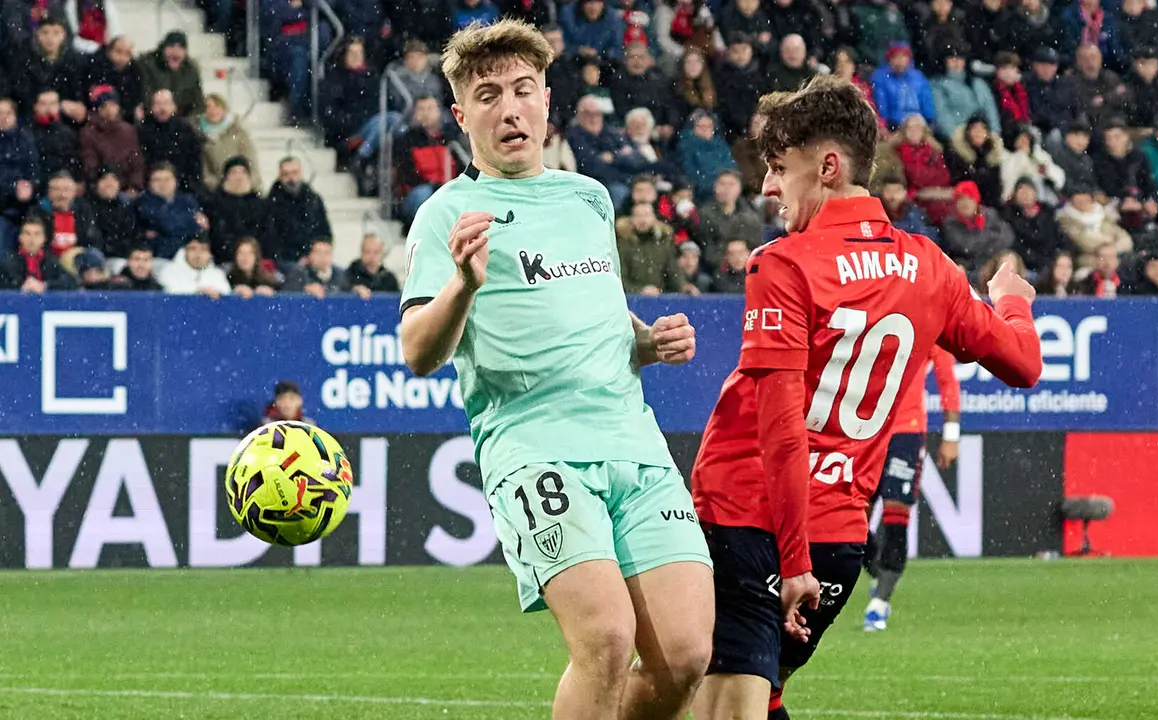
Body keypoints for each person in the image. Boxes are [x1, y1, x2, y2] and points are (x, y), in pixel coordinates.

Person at [690, 76, 1042, 720]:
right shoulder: (929, 265)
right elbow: (1021, 362)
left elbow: (781, 431)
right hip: (838, 544)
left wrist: (788, 560)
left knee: (697, 692)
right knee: (755, 694)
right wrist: (1013, 301)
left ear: (828, 167)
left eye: (778, 168)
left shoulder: (785, 264)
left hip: (750, 524)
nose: (768, 187)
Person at [396, 20, 713, 720]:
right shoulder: (445, 214)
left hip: (633, 444)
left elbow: (599, 320)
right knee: (604, 640)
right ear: (461, 115)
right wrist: (463, 287)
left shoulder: (588, 198)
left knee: (686, 658)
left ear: (546, 99)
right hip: (534, 450)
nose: (509, 109)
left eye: (522, 90)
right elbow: (418, 352)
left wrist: (647, 343)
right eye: (487, 96)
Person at [863, 346, 960, 632]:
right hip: (864, 429)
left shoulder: (930, 322)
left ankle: (879, 603)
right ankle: (881, 573)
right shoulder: (871, 311)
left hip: (906, 432)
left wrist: (951, 435)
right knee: (853, 521)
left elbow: (947, 379)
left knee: (896, 515)